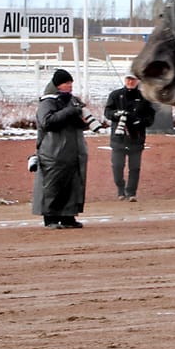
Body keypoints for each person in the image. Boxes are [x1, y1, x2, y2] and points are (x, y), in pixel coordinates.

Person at [32, 68, 104, 229]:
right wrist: (70, 111)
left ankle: (68, 217)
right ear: (57, 85)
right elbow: (47, 122)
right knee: (53, 185)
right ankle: (50, 218)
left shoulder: (73, 100)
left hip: (73, 152)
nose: (70, 86)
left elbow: (79, 124)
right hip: (53, 152)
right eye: (66, 83)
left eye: (71, 82)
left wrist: (84, 120)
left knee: (73, 185)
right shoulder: (47, 102)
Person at [104, 72, 158, 201]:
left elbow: (150, 117)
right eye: (128, 79)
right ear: (125, 79)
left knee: (134, 167)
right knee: (117, 166)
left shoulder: (144, 97)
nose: (130, 82)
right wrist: (117, 114)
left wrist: (139, 121)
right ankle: (120, 189)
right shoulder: (115, 95)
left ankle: (131, 192)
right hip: (119, 137)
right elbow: (107, 112)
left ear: (138, 81)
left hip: (136, 138)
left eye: (133, 80)